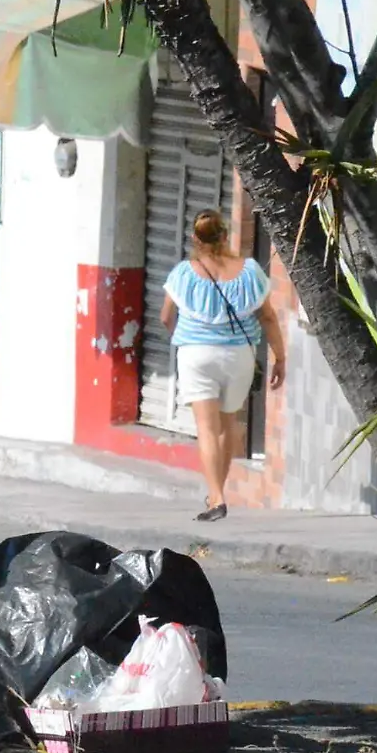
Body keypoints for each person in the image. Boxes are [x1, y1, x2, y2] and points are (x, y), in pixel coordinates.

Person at [160, 209, 286, 522]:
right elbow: (268, 316)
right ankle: (219, 490)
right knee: (227, 424)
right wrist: (280, 356)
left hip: (196, 354)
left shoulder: (183, 274)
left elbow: (165, 317)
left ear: (195, 238)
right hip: (239, 355)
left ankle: (215, 496)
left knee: (206, 427)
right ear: (225, 235)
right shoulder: (250, 272)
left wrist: (188, 338)